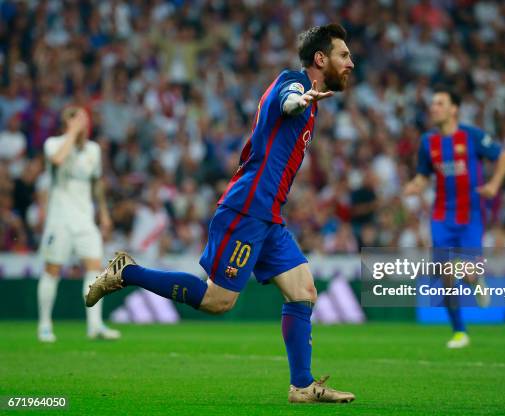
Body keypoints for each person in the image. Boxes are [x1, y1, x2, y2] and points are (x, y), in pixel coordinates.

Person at [86, 24, 355, 403]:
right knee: (218, 301)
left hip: (268, 216)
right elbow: (287, 100)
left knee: (304, 292)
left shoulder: (309, 101)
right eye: (344, 55)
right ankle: (127, 272)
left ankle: (302, 386)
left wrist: (305, 103)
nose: (351, 63)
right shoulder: (293, 83)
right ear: (320, 59)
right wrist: (301, 99)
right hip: (246, 209)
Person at [404, 87, 505, 348]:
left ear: (454, 109)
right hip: (441, 215)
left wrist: (494, 185)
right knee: (444, 274)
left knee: (463, 268)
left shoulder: (471, 136)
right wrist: (415, 185)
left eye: (440, 103)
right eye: (432, 103)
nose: (434, 108)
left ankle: (475, 278)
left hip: (471, 215)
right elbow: (423, 174)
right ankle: (459, 332)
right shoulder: (428, 142)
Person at [38, 107, 120, 342]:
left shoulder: (93, 149)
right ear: (68, 123)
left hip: (85, 219)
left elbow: (96, 183)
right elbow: (57, 160)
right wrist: (71, 134)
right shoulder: (53, 144)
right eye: (79, 120)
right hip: (59, 219)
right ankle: (45, 325)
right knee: (52, 269)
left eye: (85, 120)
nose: (84, 124)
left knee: (95, 268)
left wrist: (103, 213)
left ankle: (95, 326)